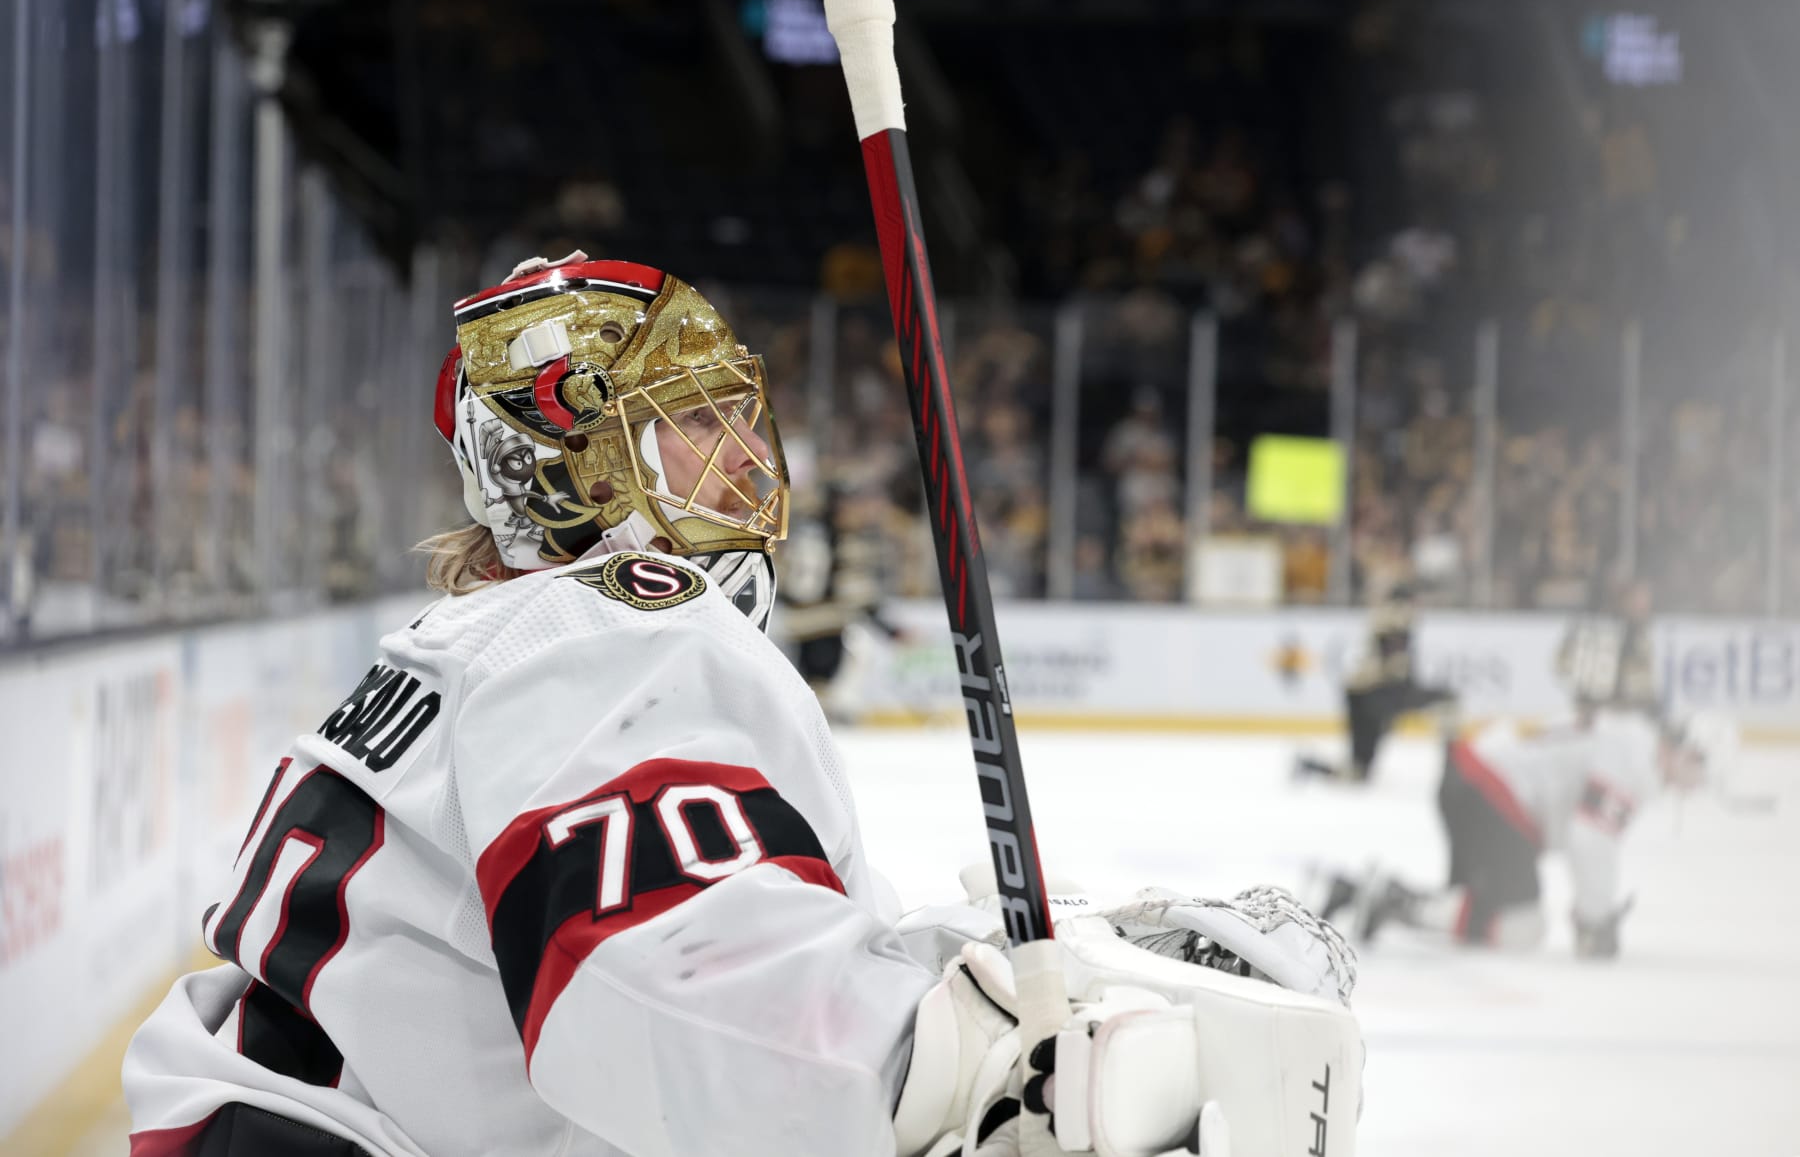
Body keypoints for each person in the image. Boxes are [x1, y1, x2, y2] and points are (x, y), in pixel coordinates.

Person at [123, 255, 1362, 1157]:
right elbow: (674, 991)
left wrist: (1009, 958)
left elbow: (695, 930)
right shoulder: (607, 629)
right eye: (691, 421)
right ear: (566, 465)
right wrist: (991, 1068)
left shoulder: (483, 642)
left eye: (735, 410)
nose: (747, 456)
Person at [1333, 710, 1713, 960]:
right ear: (1687, 751)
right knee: (1521, 924)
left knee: (1480, 909)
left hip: (1471, 778)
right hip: (1489, 790)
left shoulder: (1629, 737)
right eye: (1700, 771)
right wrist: (1594, 920)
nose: (1695, 788)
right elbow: (1590, 840)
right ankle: (1384, 898)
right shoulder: (1636, 760)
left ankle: (1372, 894)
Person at [1297, 582, 1456, 783]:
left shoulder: (1385, 617)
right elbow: (1394, 660)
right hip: (1375, 693)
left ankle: (1310, 767)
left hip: (1360, 694)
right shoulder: (1396, 617)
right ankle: (1456, 765)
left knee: (1358, 772)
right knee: (1449, 700)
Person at [1556, 573, 1658, 724]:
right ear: (1625, 599)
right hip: (1604, 715)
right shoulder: (1600, 630)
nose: (1643, 604)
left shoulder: (1645, 633)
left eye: (1646, 598)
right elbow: (1564, 663)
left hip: (1629, 715)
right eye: (1638, 598)